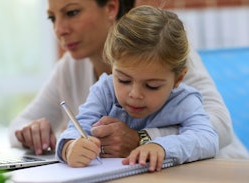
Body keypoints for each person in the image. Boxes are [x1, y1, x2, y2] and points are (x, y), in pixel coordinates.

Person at [9, 0, 248, 158]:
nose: (59, 29)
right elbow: (17, 127)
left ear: (111, 8)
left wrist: (144, 139)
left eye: (72, 13)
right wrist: (32, 133)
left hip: (219, 169)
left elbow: (219, 127)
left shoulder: (165, 55)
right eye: (52, 18)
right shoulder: (71, 68)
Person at [56, 5, 218, 170]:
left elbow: (207, 138)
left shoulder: (184, 100)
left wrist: (161, 146)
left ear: (178, 79)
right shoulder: (105, 90)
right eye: (124, 80)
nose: (135, 94)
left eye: (151, 86)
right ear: (113, 66)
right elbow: (78, 127)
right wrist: (69, 147)